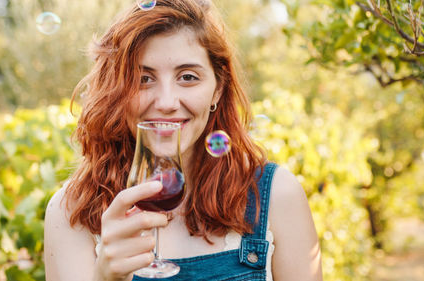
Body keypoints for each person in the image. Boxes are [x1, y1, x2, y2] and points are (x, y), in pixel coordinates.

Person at [44, 0, 322, 280]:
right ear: (115, 91)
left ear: (217, 89)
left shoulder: (276, 196)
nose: (166, 103)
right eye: (143, 79)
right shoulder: (70, 213)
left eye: (188, 77)